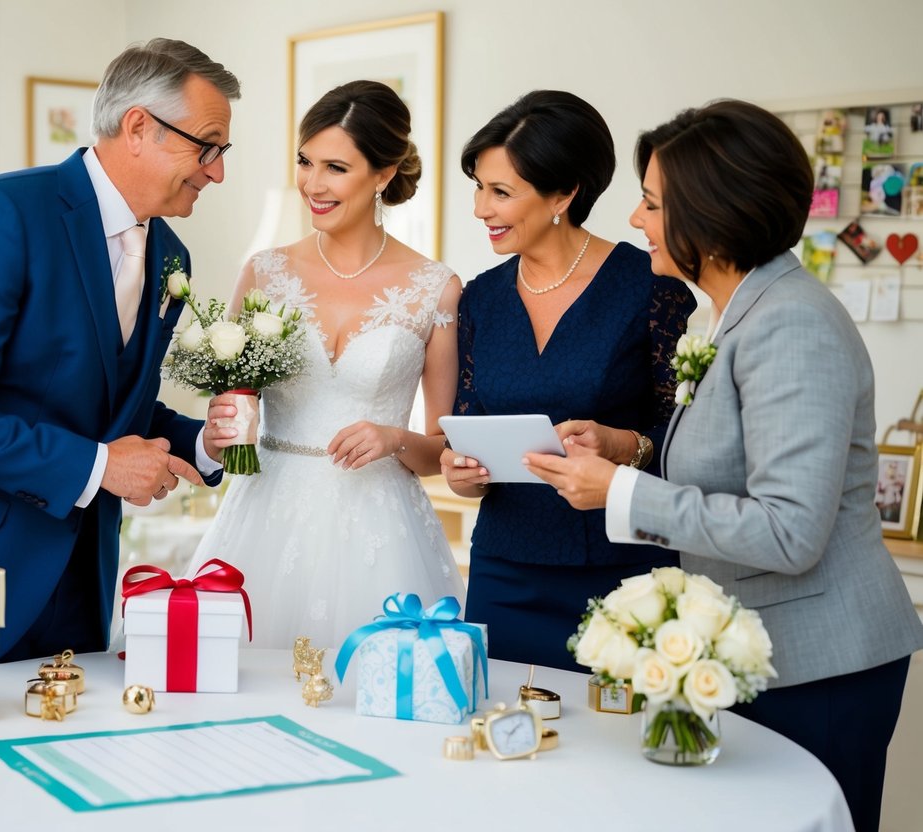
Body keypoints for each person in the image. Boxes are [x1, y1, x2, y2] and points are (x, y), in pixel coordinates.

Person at [524, 99, 923, 832]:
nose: (636, 220)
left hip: (822, 664)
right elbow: (734, 462)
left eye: (650, 204)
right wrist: (631, 449)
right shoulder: (728, 313)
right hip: (764, 651)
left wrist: (622, 491)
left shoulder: (790, 322)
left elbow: (788, 531)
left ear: (710, 213)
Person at [0, 39, 240, 662]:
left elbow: (108, 406)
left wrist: (201, 442)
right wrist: (99, 468)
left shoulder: (172, 255)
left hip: (81, 574)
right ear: (139, 127)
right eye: (208, 147)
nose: (217, 172)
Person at [187, 80, 465, 649]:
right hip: (265, 516)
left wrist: (393, 438)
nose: (313, 184)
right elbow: (232, 409)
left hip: (381, 530)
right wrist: (225, 430)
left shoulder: (435, 288)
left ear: (384, 174)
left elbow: (444, 451)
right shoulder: (264, 272)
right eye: (304, 161)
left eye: (335, 168)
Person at [440, 91, 695, 671]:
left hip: (623, 575)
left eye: (501, 192)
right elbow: (468, 427)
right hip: (503, 571)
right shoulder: (480, 298)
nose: (481, 209)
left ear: (564, 195)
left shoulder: (651, 288)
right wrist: (462, 475)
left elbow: (690, 439)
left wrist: (626, 445)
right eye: (478, 187)